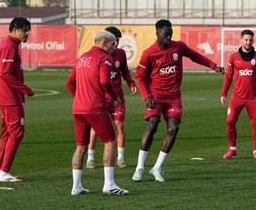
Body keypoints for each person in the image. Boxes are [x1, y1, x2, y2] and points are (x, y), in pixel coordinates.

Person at [131, 19, 225, 182]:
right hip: (156, 96)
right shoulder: (149, 53)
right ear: (157, 33)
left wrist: (213, 66)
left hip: (174, 97)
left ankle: (157, 168)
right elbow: (139, 76)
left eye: (171, 34)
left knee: (173, 128)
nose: (168, 37)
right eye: (165, 34)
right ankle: (139, 168)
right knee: (153, 124)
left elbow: (195, 56)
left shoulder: (178, 47)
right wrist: (147, 97)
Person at [66, 30, 128, 195]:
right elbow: (105, 81)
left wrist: (79, 97)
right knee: (110, 142)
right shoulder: (104, 58)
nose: (115, 47)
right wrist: (114, 97)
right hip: (95, 107)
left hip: (78, 108)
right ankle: (109, 185)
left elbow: (70, 82)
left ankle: (76, 187)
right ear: (103, 43)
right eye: (113, 43)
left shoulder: (81, 58)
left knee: (80, 147)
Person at [86, 26, 138, 169]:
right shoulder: (98, 56)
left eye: (118, 41)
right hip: (102, 98)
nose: (117, 44)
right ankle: (90, 158)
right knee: (96, 128)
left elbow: (125, 72)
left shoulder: (120, 54)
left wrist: (130, 83)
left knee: (119, 126)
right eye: (115, 41)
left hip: (117, 98)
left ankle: (120, 158)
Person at [0, 17, 34, 183]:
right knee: (16, 133)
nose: (27, 34)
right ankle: (4, 172)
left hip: (6, 97)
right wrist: (25, 89)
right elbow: (5, 73)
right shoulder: (9, 45)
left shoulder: (11, 45)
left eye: (27, 30)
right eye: (24, 30)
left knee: (7, 133)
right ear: (14, 29)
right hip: (9, 98)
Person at [220, 29, 256, 161]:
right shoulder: (234, 57)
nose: (248, 42)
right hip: (237, 97)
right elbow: (229, 76)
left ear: (253, 41)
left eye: (250, 40)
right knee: (230, 121)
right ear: (241, 40)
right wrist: (224, 93)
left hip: (253, 98)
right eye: (246, 40)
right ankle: (232, 149)